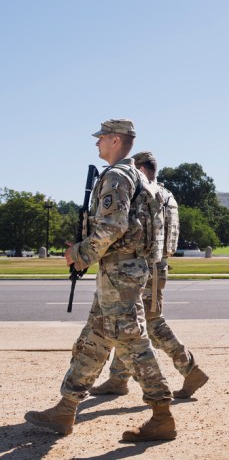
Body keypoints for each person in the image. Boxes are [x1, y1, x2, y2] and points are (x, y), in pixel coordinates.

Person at [25, 119, 177, 441]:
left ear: (116, 140)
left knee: (133, 343)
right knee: (94, 338)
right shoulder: (136, 175)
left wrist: (80, 254)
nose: (97, 144)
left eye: (102, 138)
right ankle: (66, 408)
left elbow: (112, 226)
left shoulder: (118, 175)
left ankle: (162, 414)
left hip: (119, 272)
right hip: (123, 270)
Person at [89, 151, 209, 399]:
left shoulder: (149, 194)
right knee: (130, 324)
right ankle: (118, 378)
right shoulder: (166, 195)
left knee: (150, 322)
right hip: (155, 264)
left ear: (141, 170)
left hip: (145, 265)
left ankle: (190, 369)